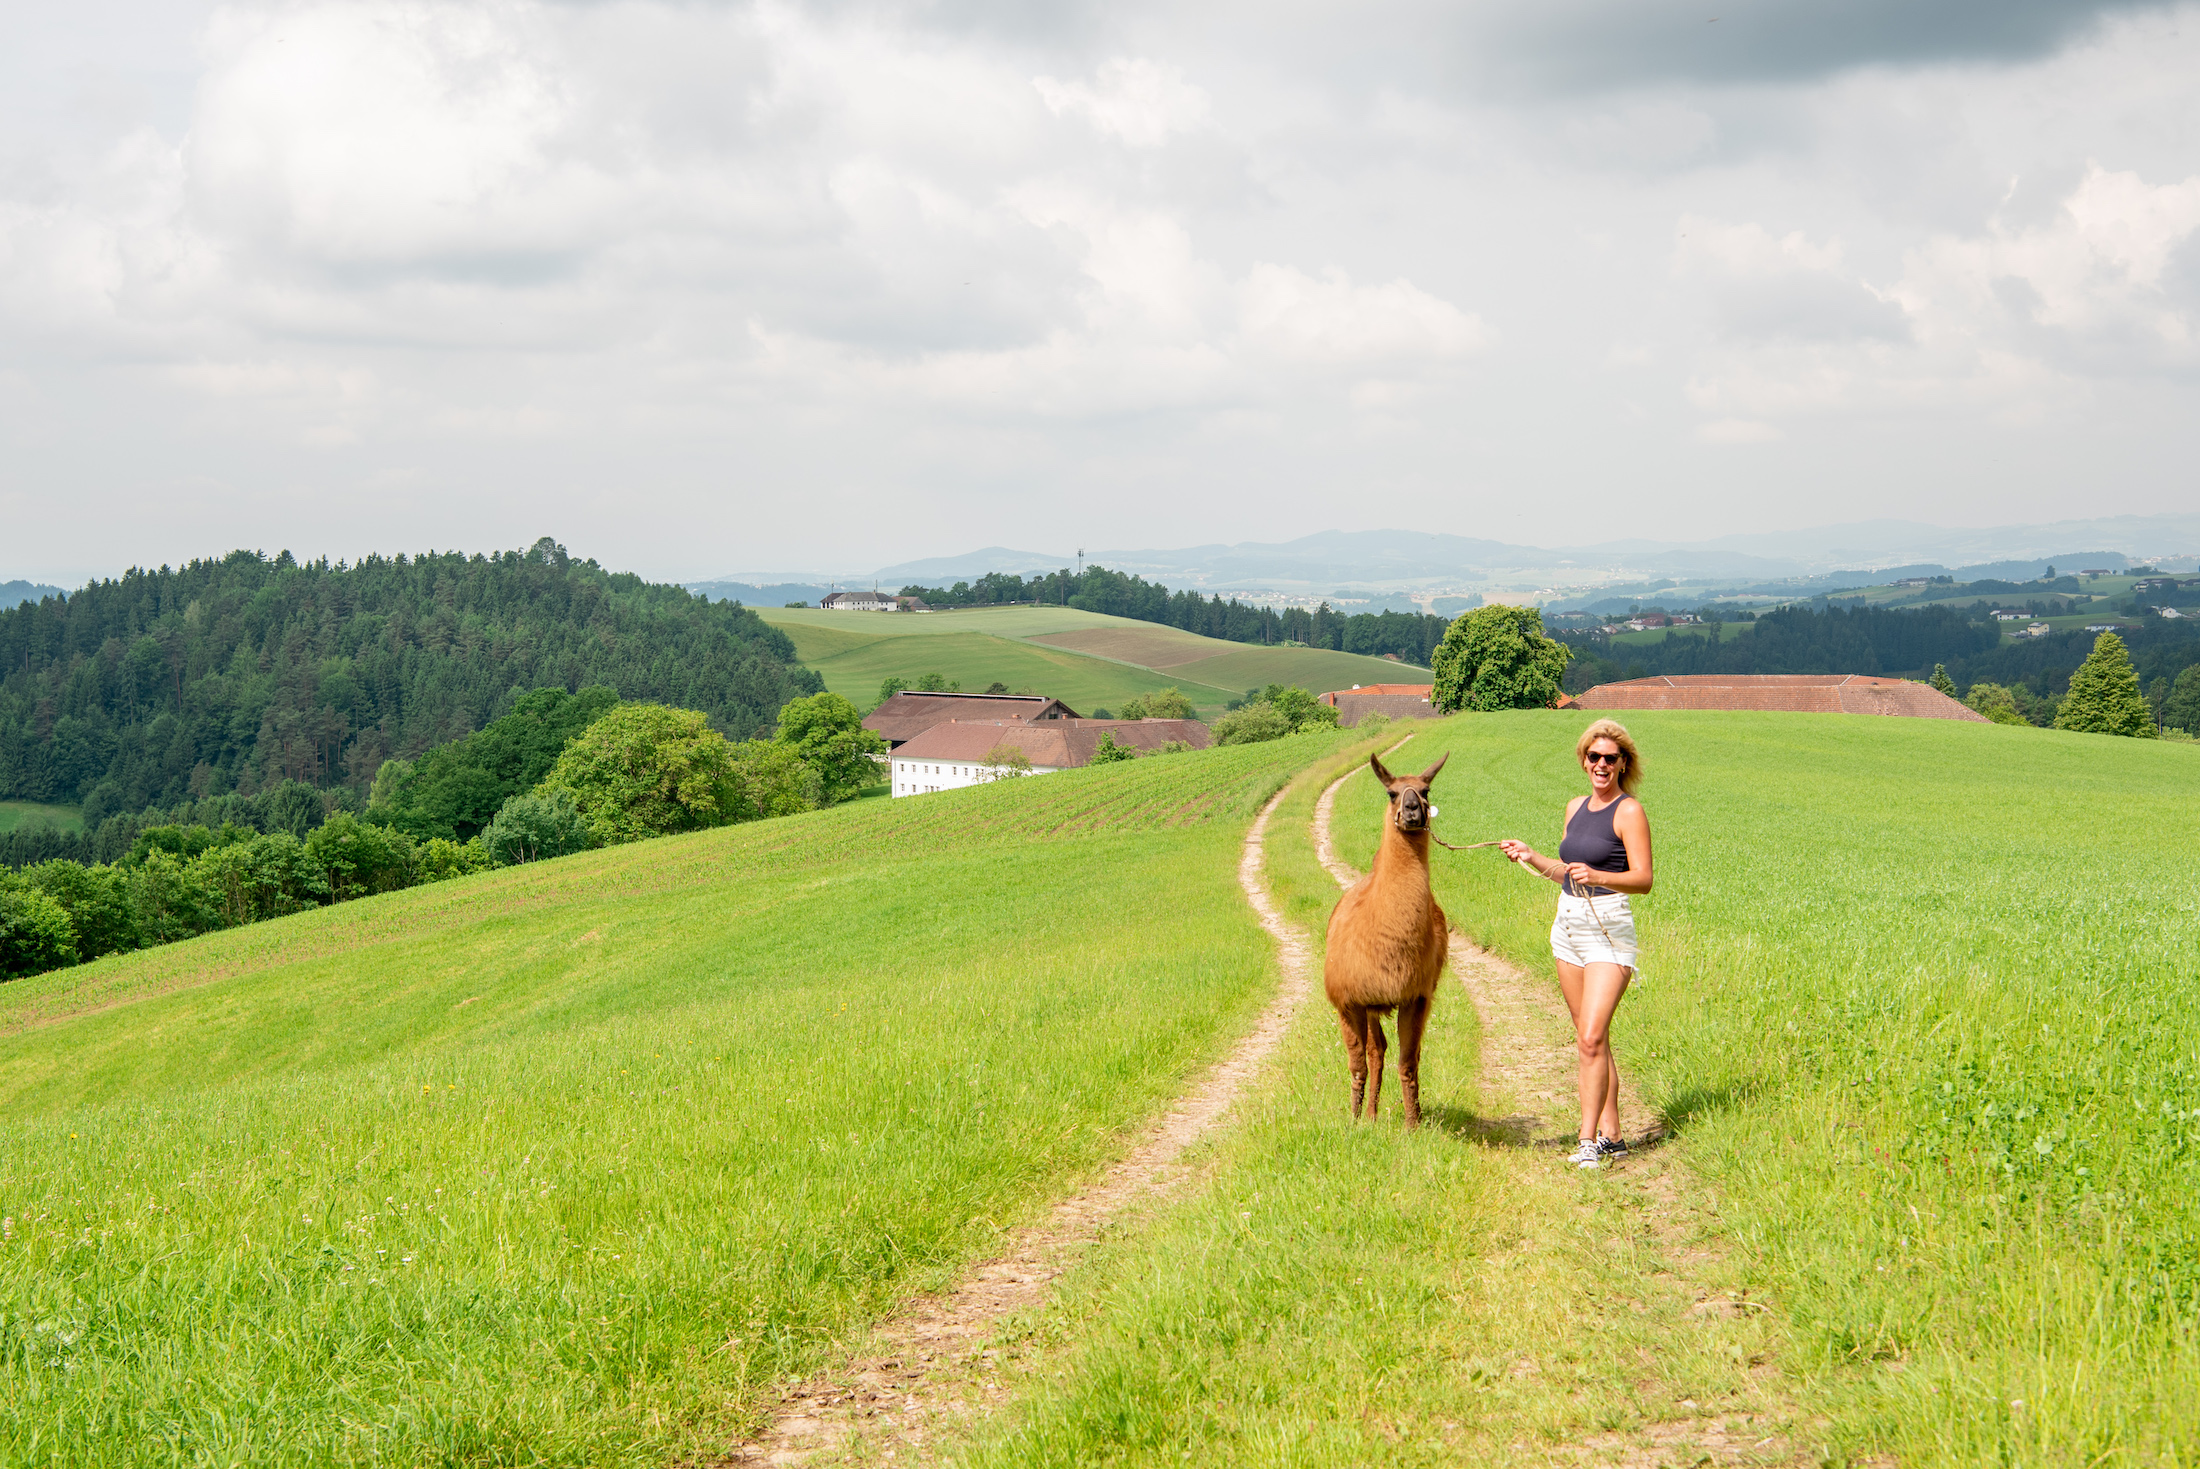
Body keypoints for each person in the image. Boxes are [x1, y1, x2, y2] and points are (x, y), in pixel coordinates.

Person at [1499, 719, 1653, 1170]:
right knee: (1592, 1038)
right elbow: (1565, 870)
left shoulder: (1629, 812)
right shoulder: (1574, 807)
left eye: (1610, 758)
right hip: (1567, 927)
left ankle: (1586, 1141)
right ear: (1584, 760)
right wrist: (1531, 856)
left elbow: (1643, 879)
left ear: (1624, 764)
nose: (1601, 765)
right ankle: (1614, 1137)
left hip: (1609, 929)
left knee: (1589, 1037)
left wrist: (1599, 875)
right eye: (1594, 757)